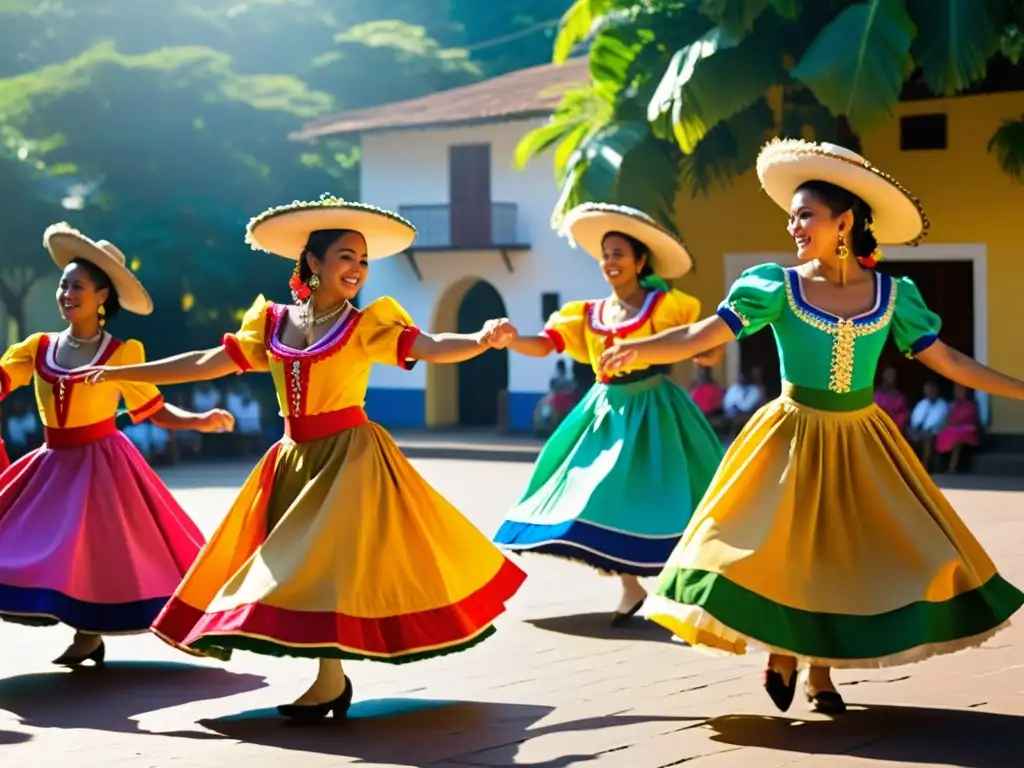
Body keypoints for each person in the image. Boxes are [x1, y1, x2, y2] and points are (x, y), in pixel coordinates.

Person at [597, 139, 1024, 715]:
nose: (794, 225)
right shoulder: (776, 285)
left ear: (843, 222)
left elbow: (949, 362)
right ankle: (781, 653)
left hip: (864, 441)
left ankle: (821, 673)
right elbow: (702, 336)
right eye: (792, 215)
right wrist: (638, 347)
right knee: (778, 551)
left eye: (806, 214)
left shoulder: (896, 295)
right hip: (791, 438)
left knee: (845, 558)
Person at [80, 196, 526, 722]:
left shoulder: (365, 325)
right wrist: (122, 374)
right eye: (344, 256)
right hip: (293, 461)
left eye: (362, 260)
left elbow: (429, 346)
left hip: (350, 461)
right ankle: (330, 679)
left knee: (317, 566)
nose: (357, 269)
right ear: (313, 263)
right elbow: (205, 361)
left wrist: (478, 338)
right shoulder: (270, 323)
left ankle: (327, 680)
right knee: (306, 571)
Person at [0, 224, 233, 665]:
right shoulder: (37, 347)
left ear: (102, 295)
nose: (68, 293)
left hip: (101, 466)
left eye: (79, 287)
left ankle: (89, 635)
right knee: (32, 544)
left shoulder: (121, 354)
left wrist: (200, 420)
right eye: (65, 284)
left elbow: (154, 410)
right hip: (51, 464)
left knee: (92, 550)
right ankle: (86, 635)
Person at [489, 203, 725, 624]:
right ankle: (630, 586)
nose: (610, 262)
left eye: (619, 253)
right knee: (593, 496)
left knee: (667, 494)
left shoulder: (666, 305)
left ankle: (690, 586)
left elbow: (702, 349)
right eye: (605, 254)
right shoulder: (586, 313)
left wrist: (712, 347)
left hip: (655, 411)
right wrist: (510, 339)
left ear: (639, 261)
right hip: (604, 413)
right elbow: (545, 344)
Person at [936, 384, 982, 472]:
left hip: (967, 429)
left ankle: (952, 467)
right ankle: (938, 467)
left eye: (961, 390)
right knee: (941, 434)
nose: (958, 392)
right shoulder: (954, 405)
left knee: (956, 438)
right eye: (957, 390)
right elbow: (949, 419)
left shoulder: (971, 405)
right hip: (953, 428)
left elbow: (971, 419)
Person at [908, 379, 950, 468]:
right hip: (918, 430)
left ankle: (924, 466)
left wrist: (925, 429)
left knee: (927, 438)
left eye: (931, 390)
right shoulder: (922, 403)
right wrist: (916, 427)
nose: (929, 393)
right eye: (927, 391)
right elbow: (914, 418)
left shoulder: (942, 404)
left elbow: (940, 420)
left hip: (933, 431)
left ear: (936, 391)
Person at [874, 365, 910, 432]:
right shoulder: (875, 393)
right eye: (888, 374)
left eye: (893, 376)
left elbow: (903, 418)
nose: (890, 377)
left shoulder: (899, 398)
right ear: (883, 375)